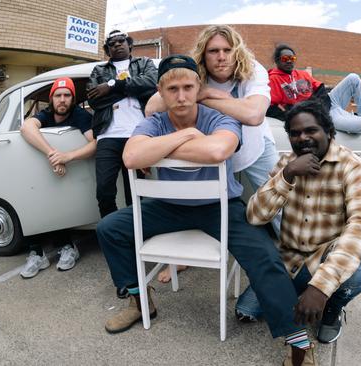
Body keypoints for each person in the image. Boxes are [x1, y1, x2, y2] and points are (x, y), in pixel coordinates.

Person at [98, 55, 318, 366]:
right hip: (169, 206)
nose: (182, 96)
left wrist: (160, 147)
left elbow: (217, 149)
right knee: (109, 229)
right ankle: (139, 300)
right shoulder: (153, 121)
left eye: (188, 87)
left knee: (265, 255)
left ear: (199, 87)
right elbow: (131, 156)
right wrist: (188, 135)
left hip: (221, 207)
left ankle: (297, 342)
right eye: (172, 89)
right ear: (160, 91)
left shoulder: (218, 117)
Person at [145, 24, 281, 283]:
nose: (221, 56)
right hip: (214, 150)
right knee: (192, 201)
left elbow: (254, 115)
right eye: (213, 51)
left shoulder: (253, 70)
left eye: (227, 50)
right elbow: (152, 107)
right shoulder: (192, 72)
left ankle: (293, 259)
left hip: (254, 147)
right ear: (203, 54)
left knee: (280, 203)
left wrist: (204, 94)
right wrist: (202, 91)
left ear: (236, 51)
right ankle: (183, 258)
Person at [235, 99, 361, 344]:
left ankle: (331, 309)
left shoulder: (350, 165)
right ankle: (297, 292)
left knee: (356, 274)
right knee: (245, 312)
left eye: (311, 130)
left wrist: (321, 286)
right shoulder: (286, 163)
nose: (303, 138)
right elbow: (255, 215)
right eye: (295, 133)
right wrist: (287, 175)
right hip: (288, 260)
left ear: (329, 132)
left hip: (324, 257)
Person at [88, 30, 158, 297]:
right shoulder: (98, 69)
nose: (117, 45)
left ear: (130, 46)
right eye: (112, 44)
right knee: (104, 190)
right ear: (107, 49)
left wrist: (112, 86)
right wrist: (123, 88)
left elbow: (151, 84)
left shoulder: (144, 64)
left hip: (138, 133)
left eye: (121, 42)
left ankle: (139, 237)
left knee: (136, 192)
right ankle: (115, 238)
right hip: (108, 135)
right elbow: (94, 99)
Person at [19, 77, 94, 278]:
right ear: (51, 99)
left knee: (59, 202)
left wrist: (67, 157)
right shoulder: (46, 114)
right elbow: (26, 127)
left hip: (75, 173)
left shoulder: (80, 114)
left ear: (73, 98)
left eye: (67, 95)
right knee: (30, 199)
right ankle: (36, 252)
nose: (62, 100)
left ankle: (67, 246)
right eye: (58, 95)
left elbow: (95, 143)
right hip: (46, 169)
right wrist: (54, 156)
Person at [268, 44, 361, 138]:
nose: (289, 61)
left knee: (353, 78)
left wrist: (322, 110)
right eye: (285, 59)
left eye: (292, 59)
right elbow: (270, 108)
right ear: (277, 61)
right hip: (324, 115)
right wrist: (293, 117)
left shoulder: (302, 74)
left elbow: (321, 90)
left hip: (328, 103)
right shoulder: (274, 79)